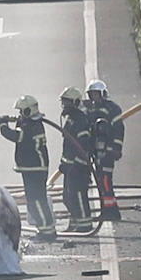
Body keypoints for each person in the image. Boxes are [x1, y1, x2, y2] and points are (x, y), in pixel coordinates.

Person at [0, 94, 55, 239]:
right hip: (34, 168)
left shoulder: (29, 125)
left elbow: (15, 136)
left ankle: (47, 231)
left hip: (34, 168)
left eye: (22, 111)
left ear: (29, 111)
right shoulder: (33, 123)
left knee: (37, 200)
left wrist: (3, 124)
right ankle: (44, 229)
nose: (20, 114)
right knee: (36, 199)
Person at [85, 79, 125, 221]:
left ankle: (110, 212)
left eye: (96, 94)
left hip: (107, 152)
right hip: (96, 151)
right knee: (101, 182)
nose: (94, 97)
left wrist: (116, 148)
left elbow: (118, 130)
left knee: (106, 181)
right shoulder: (91, 109)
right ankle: (110, 210)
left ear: (103, 93)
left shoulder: (112, 109)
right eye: (91, 94)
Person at [58, 87, 94, 233]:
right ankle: (75, 222)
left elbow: (83, 145)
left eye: (67, 102)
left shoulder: (80, 120)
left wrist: (78, 165)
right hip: (70, 167)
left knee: (78, 195)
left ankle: (85, 224)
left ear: (76, 103)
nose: (64, 105)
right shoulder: (72, 119)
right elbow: (68, 146)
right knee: (67, 196)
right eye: (63, 102)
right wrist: (64, 164)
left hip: (79, 168)